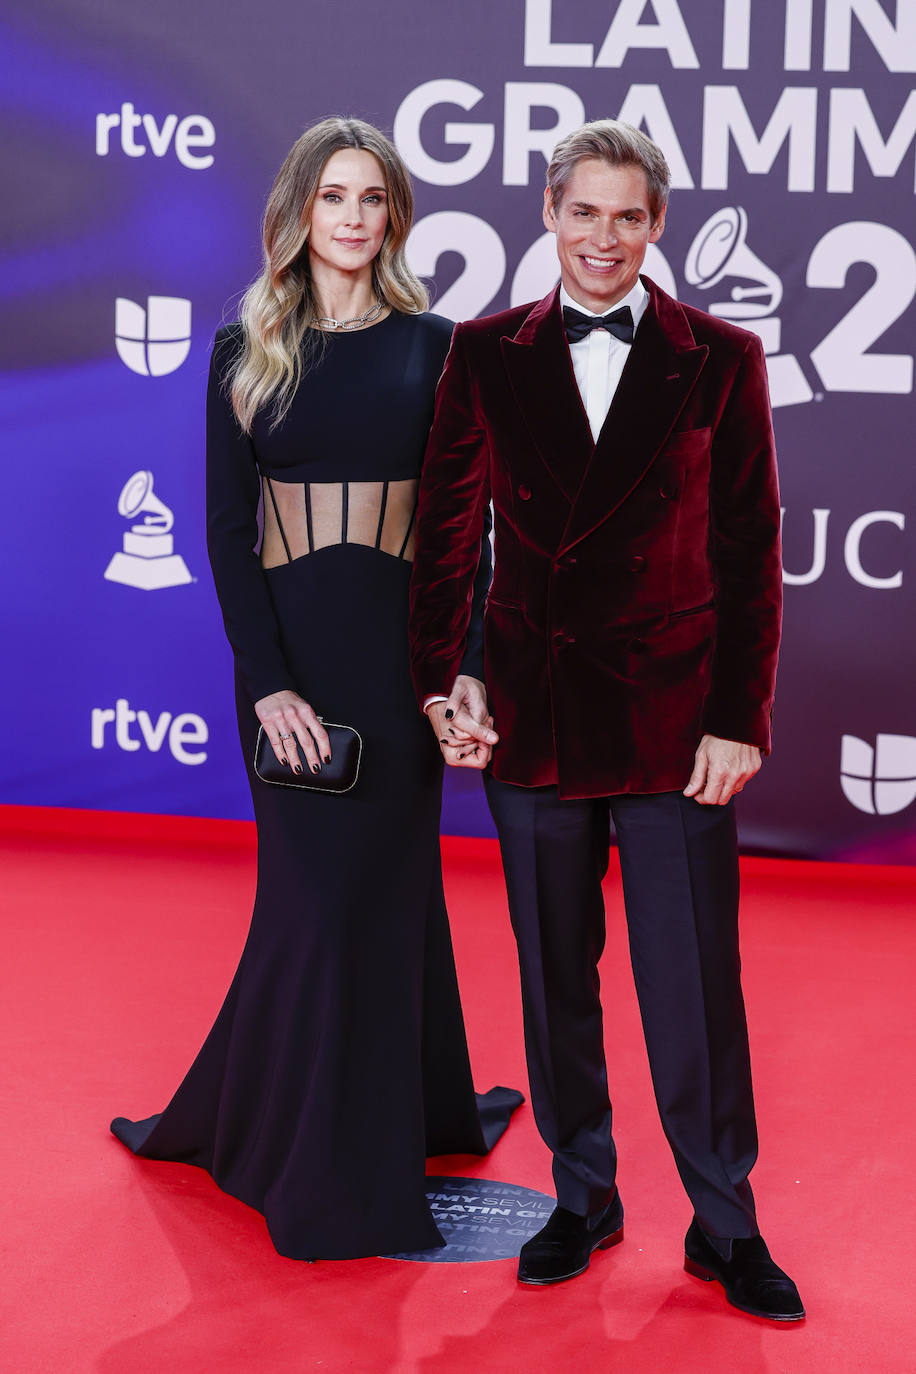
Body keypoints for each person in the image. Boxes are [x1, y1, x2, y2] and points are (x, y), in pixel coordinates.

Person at [409, 119, 804, 1320]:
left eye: (627, 216)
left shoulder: (718, 358)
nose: (604, 238)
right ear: (548, 213)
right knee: (552, 981)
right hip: (530, 717)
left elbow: (750, 552)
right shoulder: (483, 354)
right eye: (584, 212)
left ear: (657, 226)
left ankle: (724, 1223)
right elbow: (446, 535)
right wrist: (444, 678)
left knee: (692, 985)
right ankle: (583, 1196)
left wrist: (739, 717)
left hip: (676, 725)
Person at [110, 117, 521, 1261]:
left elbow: (468, 536)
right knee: (316, 901)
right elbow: (229, 540)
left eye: (371, 198)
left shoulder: (439, 349)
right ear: (296, 212)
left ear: (392, 216)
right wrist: (267, 689)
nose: (351, 217)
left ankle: (384, 1132)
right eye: (332, 196)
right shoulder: (243, 351)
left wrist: (465, 668)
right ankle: (300, 1151)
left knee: (379, 900)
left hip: (402, 668)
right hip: (298, 673)